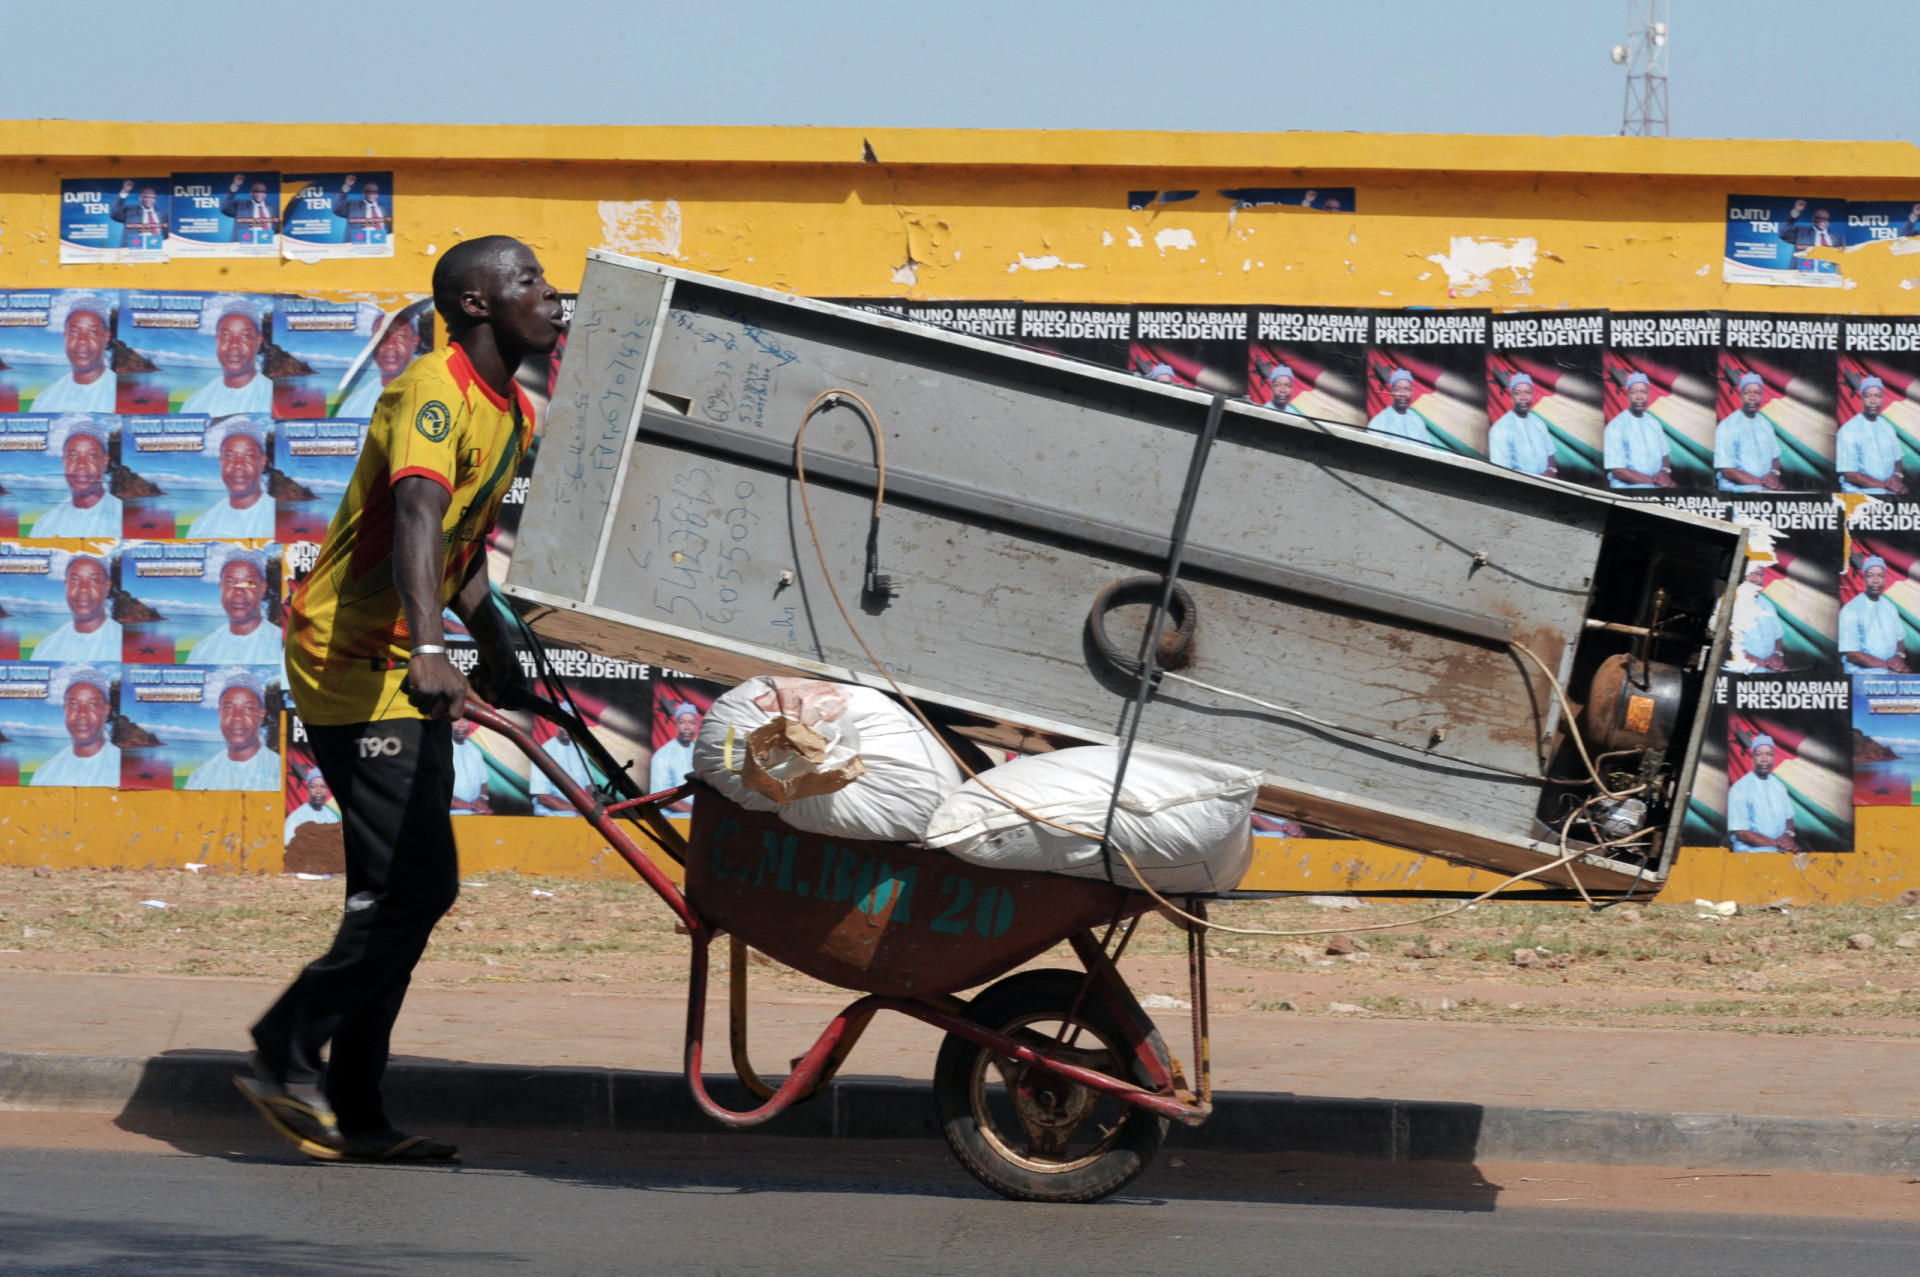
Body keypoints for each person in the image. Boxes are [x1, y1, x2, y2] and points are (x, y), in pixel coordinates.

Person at [246, 235, 562, 1164]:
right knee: (415, 886)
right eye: (529, 283)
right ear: (475, 302)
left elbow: (457, 548)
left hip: (404, 655)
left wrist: (494, 640)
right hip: (352, 654)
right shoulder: (433, 386)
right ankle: (283, 1046)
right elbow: (417, 514)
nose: (551, 297)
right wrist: (430, 647)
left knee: (402, 892)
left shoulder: (512, 414)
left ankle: (354, 1104)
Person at [185, 669, 281, 791]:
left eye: (247, 708)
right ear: (220, 713)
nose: (237, 717)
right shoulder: (199, 778)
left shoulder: (280, 772)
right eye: (229, 708)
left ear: (261, 715)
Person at [186, 549, 283, 664]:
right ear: (221, 587)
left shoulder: (283, 646)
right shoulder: (202, 651)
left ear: (262, 589)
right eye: (230, 583)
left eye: (248, 583)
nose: (238, 592)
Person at [30, 416, 122, 537]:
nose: (81, 464)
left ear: (105, 462)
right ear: (64, 462)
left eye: (91, 455)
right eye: (72, 456)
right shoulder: (44, 526)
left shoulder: (123, 518)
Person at [29, 667, 119, 788]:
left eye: (92, 704)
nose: (82, 712)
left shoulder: (122, 767)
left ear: (106, 711)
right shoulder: (45, 774)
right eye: (74, 704)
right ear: (65, 709)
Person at [185, 417, 274, 538]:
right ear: (221, 461)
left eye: (248, 456)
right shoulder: (201, 526)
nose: (238, 465)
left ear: (262, 462)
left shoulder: (278, 520)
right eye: (229, 456)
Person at [181, 299, 272, 416]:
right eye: (225, 335)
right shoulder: (194, 404)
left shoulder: (276, 400)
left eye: (245, 335)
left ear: (258, 342)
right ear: (217, 340)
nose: (234, 343)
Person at [30, 295, 116, 414]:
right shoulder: (44, 401)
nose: (82, 340)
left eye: (93, 332)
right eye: (74, 332)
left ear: (106, 338)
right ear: (65, 337)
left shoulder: (124, 396)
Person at [33, 553, 120, 663]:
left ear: (106, 587)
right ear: (66, 586)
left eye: (94, 580)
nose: (83, 589)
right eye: (75, 580)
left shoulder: (124, 642)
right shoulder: (45, 649)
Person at [337, 312, 422, 419]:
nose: (390, 344)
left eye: (400, 336)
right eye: (381, 336)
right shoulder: (352, 406)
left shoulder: (437, 392)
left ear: (414, 341)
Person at [1726, 734, 1797, 854]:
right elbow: (1741, 833)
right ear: (1753, 757)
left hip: (1779, 854)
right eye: (1759, 754)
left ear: (1774, 757)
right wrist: (1779, 845)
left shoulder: (1779, 786)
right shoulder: (1740, 788)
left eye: (1769, 754)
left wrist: (1788, 835)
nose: (1764, 759)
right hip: (1749, 857)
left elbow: (1789, 818)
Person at [1603, 371, 1675, 489]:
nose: (1639, 396)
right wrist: (1658, 483)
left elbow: (1665, 455)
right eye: (1634, 392)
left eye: (1644, 392)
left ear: (1648, 395)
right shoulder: (1615, 426)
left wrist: (1664, 472)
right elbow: (1618, 471)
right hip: (1628, 491)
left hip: (1657, 487)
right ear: (1628, 395)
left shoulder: (1654, 423)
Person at [1715, 371, 1783, 492]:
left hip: (1764, 489)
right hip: (1736, 490)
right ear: (1741, 395)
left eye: (1757, 393)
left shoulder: (1765, 424)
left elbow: (1775, 455)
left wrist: (1774, 474)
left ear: (1762, 396)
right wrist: (1765, 484)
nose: (1752, 397)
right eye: (1747, 392)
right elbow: (1727, 471)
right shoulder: (1727, 426)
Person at [1837, 376, 1906, 495]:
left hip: (1887, 492)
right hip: (1859, 495)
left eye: (1878, 396)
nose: (1873, 401)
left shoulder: (1887, 428)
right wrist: (1887, 487)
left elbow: (1897, 459)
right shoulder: (1848, 430)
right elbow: (1850, 475)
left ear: (1883, 399)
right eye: (1868, 396)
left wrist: (1897, 477)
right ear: (1862, 398)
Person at [1839, 556, 1908, 674]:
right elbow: (1852, 654)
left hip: (1888, 670)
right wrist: (1890, 668)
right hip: (1861, 673)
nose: (1876, 580)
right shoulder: (1851, 609)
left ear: (1885, 579)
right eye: (1870, 575)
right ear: (1864, 578)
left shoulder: (1890, 607)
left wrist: (1899, 657)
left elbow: (1899, 639)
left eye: (1880, 575)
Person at [1488, 372, 1556, 477]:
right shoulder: (1500, 429)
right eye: (1517, 393)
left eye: (1527, 392)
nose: (1523, 397)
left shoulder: (1539, 423)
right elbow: (1502, 473)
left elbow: (1550, 452)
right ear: (1512, 396)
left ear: (1533, 395)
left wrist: (1552, 470)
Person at [1729, 565, 1788, 672]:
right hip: (1742, 676)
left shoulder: (1768, 605)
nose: (1754, 578)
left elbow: (1778, 637)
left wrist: (1777, 655)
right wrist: (1767, 664)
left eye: (1760, 574)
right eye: (1749, 574)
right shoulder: (1730, 606)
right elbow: (1730, 647)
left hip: (1769, 673)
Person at [530, 726, 593, 815]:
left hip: (580, 815)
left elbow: (588, 785)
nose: (565, 728)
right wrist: (577, 810)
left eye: (567, 724)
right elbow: (543, 797)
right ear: (555, 725)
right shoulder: (544, 751)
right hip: (553, 817)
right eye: (560, 724)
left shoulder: (579, 750)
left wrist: (587, 808)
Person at [1368, 368, 1433, 446]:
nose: (1403, 394)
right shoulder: (1379, 422)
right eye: (1398, 389)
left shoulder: (1417, 421)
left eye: (1407, 389)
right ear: (1392, 392)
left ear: (1412, 392)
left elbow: (1428, 450)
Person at [649, 701, 700, 796]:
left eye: (692, 723)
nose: (687, 727)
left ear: (696, 726)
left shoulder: (698, 752)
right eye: (682, 722)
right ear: (676, 725)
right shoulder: (662, 756)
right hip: (675, 810)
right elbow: (660, 796)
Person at [284, 768, 341, 843]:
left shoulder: (332, 817)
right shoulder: (296, 817)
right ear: (308, 790)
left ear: (327, 790)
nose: (318, 791)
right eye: (313, 786)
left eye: (323, 786)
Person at [331, 175, 392, 242]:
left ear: (378, 194)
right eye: (368, 191)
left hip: (381, 246)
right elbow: (336, 208)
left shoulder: (387, 209)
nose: (371, 194)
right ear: (363, 193)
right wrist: (347, 186)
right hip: (358, 247)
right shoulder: (353, 205)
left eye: (375, 192)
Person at [219, 176, 279, 243]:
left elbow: (277, 230)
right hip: (245, 246)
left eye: (263, 191)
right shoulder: (241, 205)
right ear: (251, 192)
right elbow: (224, 208)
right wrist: (235, 186)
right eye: (256, 191)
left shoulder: (273, 209)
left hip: (268, 245)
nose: (260, 194)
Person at [450, 718, 490, 815]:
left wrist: (482, 799)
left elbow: (483, 782)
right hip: (450, 816)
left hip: (476, 814)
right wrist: (472, 807)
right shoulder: (440, 750)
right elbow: (438, 792)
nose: (462, 724)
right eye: (456, 720)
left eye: (466, 720)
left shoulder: (474, 750)